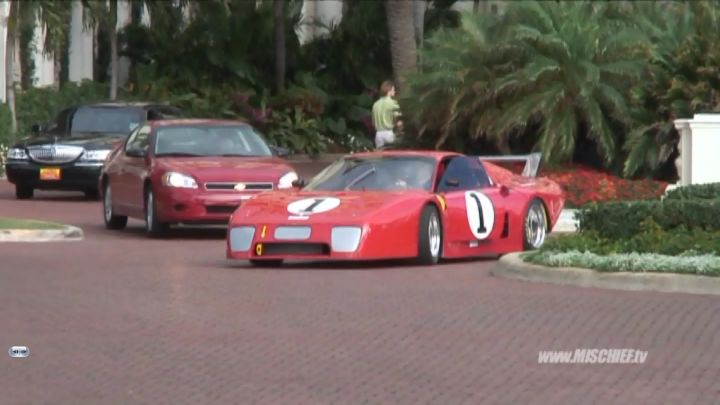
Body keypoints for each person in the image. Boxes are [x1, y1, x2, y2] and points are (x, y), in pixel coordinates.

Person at [372, 80, 401, 149]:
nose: (394, 92)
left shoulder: (375, 104)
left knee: (380, 157)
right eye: (393, 90)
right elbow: (399, 121)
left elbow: (373, 123)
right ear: (389, 90)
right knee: (391, 157)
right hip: (388, 133)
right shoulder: (393, 103)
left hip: (378, 134)